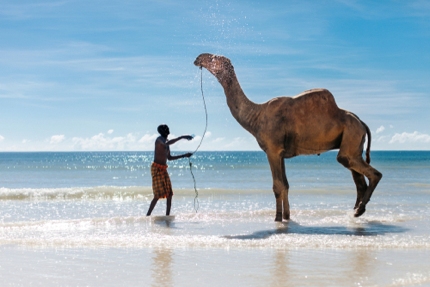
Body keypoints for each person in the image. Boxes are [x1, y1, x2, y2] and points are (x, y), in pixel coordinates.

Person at [146, 124, 193, 216]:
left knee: (169, 194)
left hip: (163, 168)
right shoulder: (159, 140)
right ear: (163, 131)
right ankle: (147, 215)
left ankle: (167, 216)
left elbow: (170, 158)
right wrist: (182, 137)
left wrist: (184, 155)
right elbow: (167, 143)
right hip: (156, 168)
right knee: (157, 195)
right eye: (166, 129)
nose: (167, 130)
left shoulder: (166, 143)